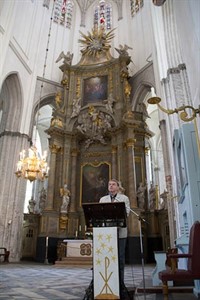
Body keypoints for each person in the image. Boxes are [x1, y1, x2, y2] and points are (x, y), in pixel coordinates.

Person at [99, 179, 130, 285]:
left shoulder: (124, 198)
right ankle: (108, 281)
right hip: (107, 233)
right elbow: (100, 215)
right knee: (107, 257)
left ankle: (120, 283)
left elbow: (127, 213)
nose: (111, 186)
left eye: (113, 184)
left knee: (120, 257)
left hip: (120, 232)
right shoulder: (103, 199)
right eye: (109, 184)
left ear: (118, 187)